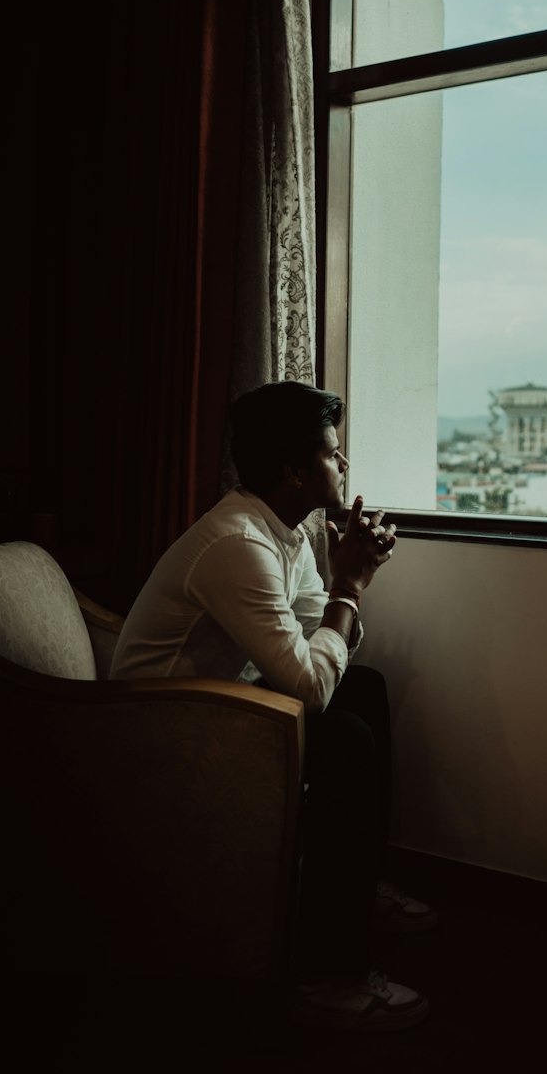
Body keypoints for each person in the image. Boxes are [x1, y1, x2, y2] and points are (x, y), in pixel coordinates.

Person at [110, 380, 434, 1032]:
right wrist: (350, 583)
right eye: (331, 453)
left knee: (363, 689)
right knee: (343, 738)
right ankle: (327, 974)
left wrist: (348, 586)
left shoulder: (287, 529)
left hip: (228, 705)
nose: (344, 464)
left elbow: (325, 638)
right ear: (291, 469)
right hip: (161, 729)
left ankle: (357, 884)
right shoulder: (239, 544)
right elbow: (311, 683)